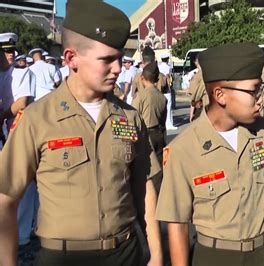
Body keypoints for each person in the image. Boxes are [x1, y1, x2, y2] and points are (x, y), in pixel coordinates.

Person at [0, 1, 163, 265]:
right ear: (71, 59)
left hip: (124, 253)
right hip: (62, 258)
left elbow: (144, 186)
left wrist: (156, 254)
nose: (118, 68)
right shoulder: (37, 119)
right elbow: (5, 198)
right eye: (107, 60)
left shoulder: (130, 117)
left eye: (120, 59)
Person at [155, 42, 264, 266]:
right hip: (215, 257)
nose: (260, 97)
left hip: (262, 253)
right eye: (253, 90)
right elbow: (177, 223)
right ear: (220, 95)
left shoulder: (263, 130)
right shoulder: (184, 148)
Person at [0, 33, 37, 258]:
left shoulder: (22, 72)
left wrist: (2, 114)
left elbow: (23, 103)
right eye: (6, 50)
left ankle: (23, 231)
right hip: (5, 132)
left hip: (17, 131)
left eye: (13, 50)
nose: (11, 54)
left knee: (25, 185)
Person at [132, 61, 167, 193]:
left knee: (147, 171)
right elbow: (163, 120)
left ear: (142, 78)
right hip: (158, 133)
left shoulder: (141, 96)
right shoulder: (162, 97)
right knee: (160, 170)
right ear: (157, 79)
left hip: (146, 135)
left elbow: (134, 116)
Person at [158, 53, 177, 130]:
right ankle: (169, 124)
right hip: (166, 89)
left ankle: (162, 123)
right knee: (168, 106)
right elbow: (168, 78)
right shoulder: (168, 67)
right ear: (167, 59)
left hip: (159, 89)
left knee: (161, 107)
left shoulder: (158, 67)